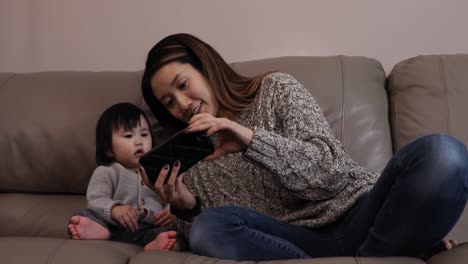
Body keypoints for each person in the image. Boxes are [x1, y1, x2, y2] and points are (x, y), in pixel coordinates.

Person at [140, 33, 468, 261]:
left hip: (360, 213)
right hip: (290, 245)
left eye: (183, 85)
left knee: (443, 156)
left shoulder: (275, 89)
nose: (182, 104)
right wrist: (186, 207)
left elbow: (330, 174)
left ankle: (372, 255)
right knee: (209, 227)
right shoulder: (190, 163)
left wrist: (251, 139)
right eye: (168, 102)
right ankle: (394, 254)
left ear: (206, 67)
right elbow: (209, 241)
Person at [67, 102, 186, 251]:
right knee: (82, 216)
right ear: (109, 149)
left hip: (148, 229)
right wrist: (115, 210)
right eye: (129, 135)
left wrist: (171, 214)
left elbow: (170, 198)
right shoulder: (108, 171)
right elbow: (96, 199)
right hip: (113, 226)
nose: (139, 142)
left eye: (144, 134)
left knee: (177, 236)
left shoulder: (159, 172)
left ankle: (156, 245)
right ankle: (97, 232)